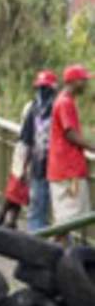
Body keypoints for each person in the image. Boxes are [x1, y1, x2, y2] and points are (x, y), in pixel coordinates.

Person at [47, 65, 94, 225]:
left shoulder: (65, 101)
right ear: (74, 81)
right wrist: (92, 147)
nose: (86, 84)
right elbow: (70, 133)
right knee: (68, 220)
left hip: (66, 169)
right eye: (83, 80)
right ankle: (51, 249)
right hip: (67, 171)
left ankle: (60, 248)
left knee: (68, 219)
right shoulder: (65, 102)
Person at [19, 70, 59, 231]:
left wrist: (23, 167)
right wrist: (23, 168)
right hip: (47, 168)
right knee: (44, 210)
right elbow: (27, 140)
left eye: (44, 88)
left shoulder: (35, 108)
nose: (42, 92)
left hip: (48, 168)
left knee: (38, 210)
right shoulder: (39, 109)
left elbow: (27, 141)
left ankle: (37, 244)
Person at [0, 101, 35, 228]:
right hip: (26, 153)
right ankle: (6, 217)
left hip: (23, 151)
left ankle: (7, 217)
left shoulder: (31, 106)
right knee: (17, 187)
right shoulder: (35, 108)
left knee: (18, 188)